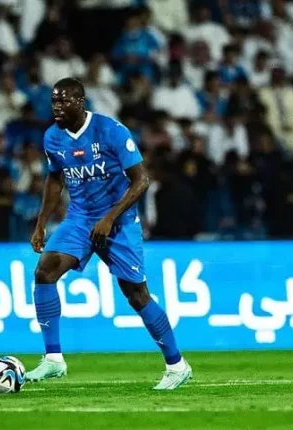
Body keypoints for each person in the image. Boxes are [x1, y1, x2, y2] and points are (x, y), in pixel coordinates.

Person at [25, 78, 193, 390]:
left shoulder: (111, 130)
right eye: (54, 102)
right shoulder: (52, 137)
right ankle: (53, 359)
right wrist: (41, 223)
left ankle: (177, 365)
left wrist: (109, 218)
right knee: (44, 272)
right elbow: (55, 179)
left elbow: (141, 180)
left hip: (119, 221)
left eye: (63, 101)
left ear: (80, 102)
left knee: (137, 295)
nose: (57, 108)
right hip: (79, 219)